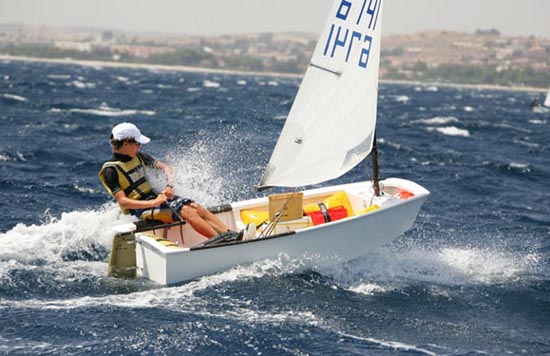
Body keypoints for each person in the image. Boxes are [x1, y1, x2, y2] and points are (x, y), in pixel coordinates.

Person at [98, 122, 231, 239]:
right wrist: (153, 202)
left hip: (156, 198)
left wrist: (169, 186)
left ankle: (229, 234)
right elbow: (124, 202)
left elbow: (167, 168)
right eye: (137, 143)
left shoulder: (140, 156)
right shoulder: (110, 170)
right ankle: (221, 240)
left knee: (197, 207)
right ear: (126, 144)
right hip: (142, 209)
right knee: (187, 211)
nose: (139, 146)